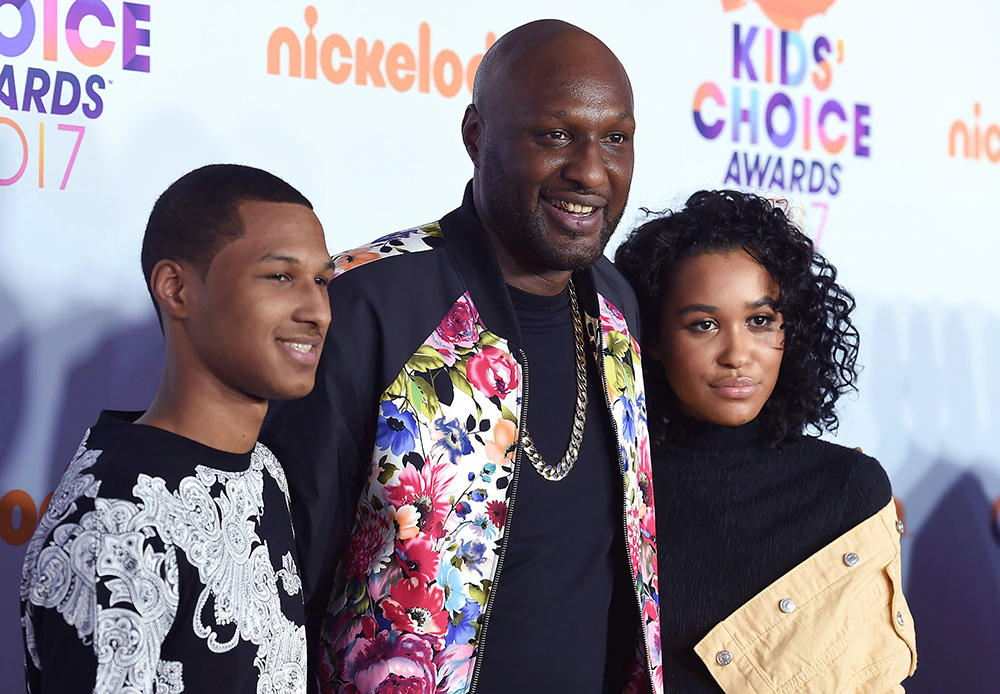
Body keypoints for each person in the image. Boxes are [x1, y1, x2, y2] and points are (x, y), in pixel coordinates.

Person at [260, 19, 661, 694]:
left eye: (615, 138)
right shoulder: (365, 300)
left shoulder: (619, 306)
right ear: (477, 134)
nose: (591, 171)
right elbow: (278, 578)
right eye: (555, 134)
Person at [19, 164, 336, 694]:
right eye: (280, 276)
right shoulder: (113, 522)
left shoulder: (265, 471)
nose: (318, 311)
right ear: (176, 289)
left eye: (322, 280)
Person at [615, 190, 917, 693]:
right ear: (655, 342)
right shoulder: (618, 486)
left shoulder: (846, 488)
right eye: (704, 325)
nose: (738, 354)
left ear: (790, 330)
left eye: (760, 321)